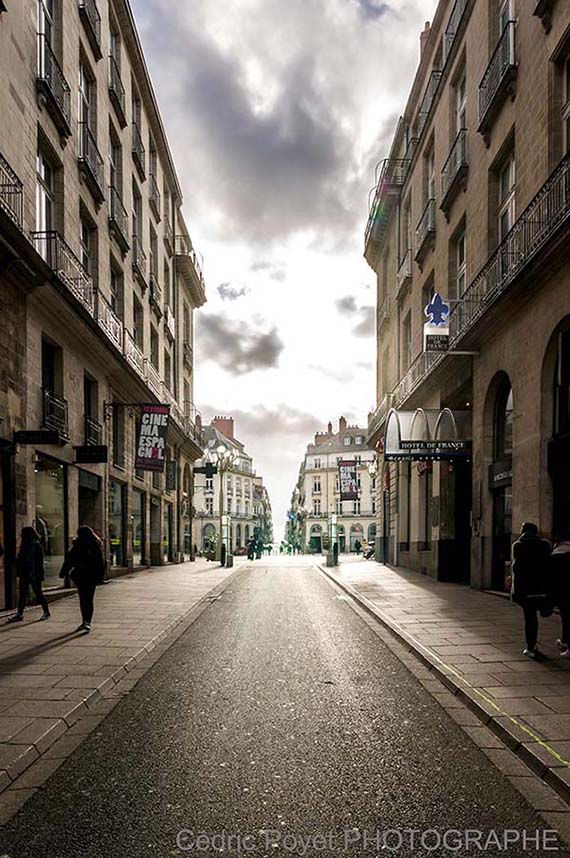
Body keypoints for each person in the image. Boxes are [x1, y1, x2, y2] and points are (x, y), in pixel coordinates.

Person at [511, 522, 552, 659]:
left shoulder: (518, 545)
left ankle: (531, 647)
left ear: (523, 531)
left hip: (526, 590)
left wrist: (515, 592)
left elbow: (516, 570)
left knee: (530, 619)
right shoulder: (545, 544)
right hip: (542, 588)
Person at [59, 527, 105, 633]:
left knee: (83, 599)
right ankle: (87, 622)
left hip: (81, 576)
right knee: (89, 600)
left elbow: (69, 561)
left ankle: (85, 621)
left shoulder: (77, 546)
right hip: (91, 577)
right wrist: (100, 577)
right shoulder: (95, 546)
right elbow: (100, 564)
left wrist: (63, 572)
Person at [8, 527, 50, 623]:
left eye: (23, 533)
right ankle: (20, 613)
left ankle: (46, 611)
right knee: (22, 594)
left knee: (38, 593)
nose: (21, 535)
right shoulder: (24, 545)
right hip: (25, 573)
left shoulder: (37, 546)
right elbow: (21, 559)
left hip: (34, 574)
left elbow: (39, 563)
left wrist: (40, 575)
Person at [550, 533, 570, 657]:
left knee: (566, 619)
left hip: (564, 593)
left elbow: (552, 579)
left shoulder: (555, 556)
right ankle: (564, 641)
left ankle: (566, 644)